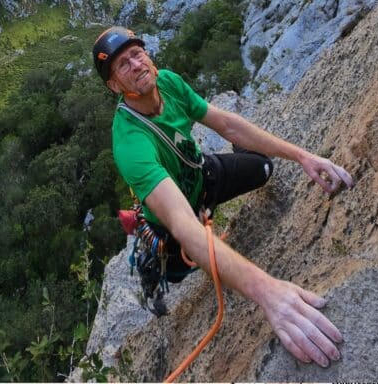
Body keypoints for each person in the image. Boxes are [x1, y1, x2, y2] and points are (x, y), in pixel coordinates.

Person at [93, 26, 355, 368]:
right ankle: (151, 272)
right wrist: (269, 293)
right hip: (173, 225)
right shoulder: (130, 143)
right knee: (175, 273)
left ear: (148, 56)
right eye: (122, 65)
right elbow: (185, 226)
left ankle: (219, 199)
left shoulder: (169, 82)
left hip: (203, 177)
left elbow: (227, 125)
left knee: (262, 167)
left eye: (136, 54)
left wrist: (302, 156)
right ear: (115, 85)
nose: (135, 65)